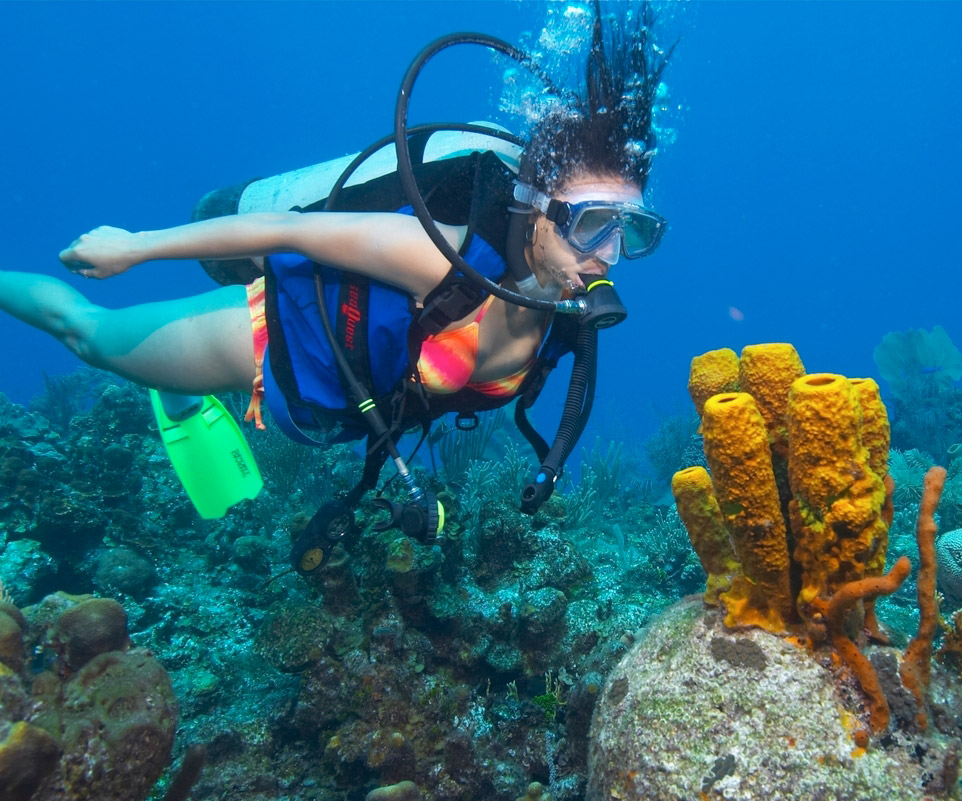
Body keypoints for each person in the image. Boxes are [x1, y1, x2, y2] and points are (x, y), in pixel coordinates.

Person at [0, 3, 673, 517]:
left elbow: (567, 405)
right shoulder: (439, 257)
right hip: (275, 348)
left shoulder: (568, 308)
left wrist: (546, 472)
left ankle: (177, 395)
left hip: (337, 413)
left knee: (146, 365)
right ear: (534, 205)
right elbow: (283, 231)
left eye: (630, 232)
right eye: (591, 224)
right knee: (85, 334)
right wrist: (134, 248)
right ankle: (174, 382)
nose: (608, 255)